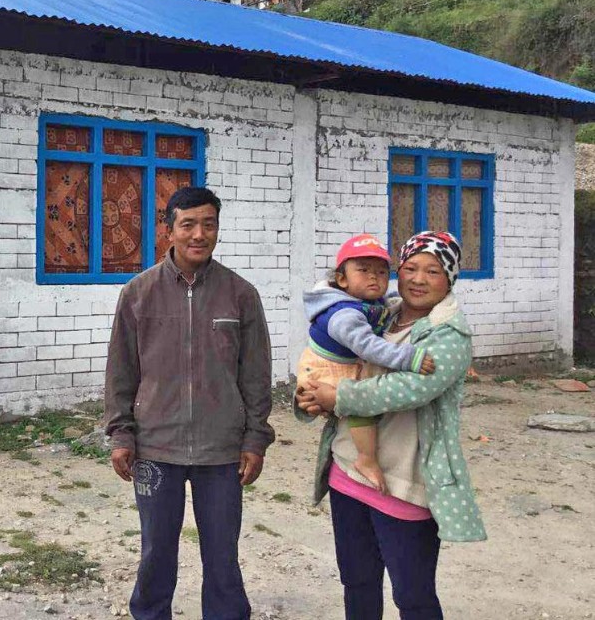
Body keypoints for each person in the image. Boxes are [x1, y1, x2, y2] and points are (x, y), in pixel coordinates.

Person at [104, 186, 275, 620]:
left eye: (209, 224)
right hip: (155, 447)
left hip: (222, 451)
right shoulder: (138, 294)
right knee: (157, 551)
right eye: (188, 224)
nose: (200, 234)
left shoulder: (241, 294)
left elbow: (255, 374)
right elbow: (121, 371)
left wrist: (255, 438)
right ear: (169, 231)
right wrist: (121, 433)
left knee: (222, 553)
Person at [297, 231, 486, 620]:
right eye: (411, 268)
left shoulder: (450, 334)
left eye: (433, 271)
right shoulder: (376, 312)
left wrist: (339, 396)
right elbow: (337, 362)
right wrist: (312, 399)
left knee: (413, 596)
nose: (418, 279)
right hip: (348, 471)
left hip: (404, 483)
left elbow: (405, 390)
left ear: (449, 279)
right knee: (358, 583)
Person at [298, 234, 436, 494]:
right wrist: (409, 358)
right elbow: (369, 347)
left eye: (381, 272)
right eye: (363, 270)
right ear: (342, 279)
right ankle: (366, 458)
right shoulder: (344, 314)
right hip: (326, 368)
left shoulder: (368, 302)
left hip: (342, 364)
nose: (374, 277)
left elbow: (389, 304)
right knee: (359, 408)